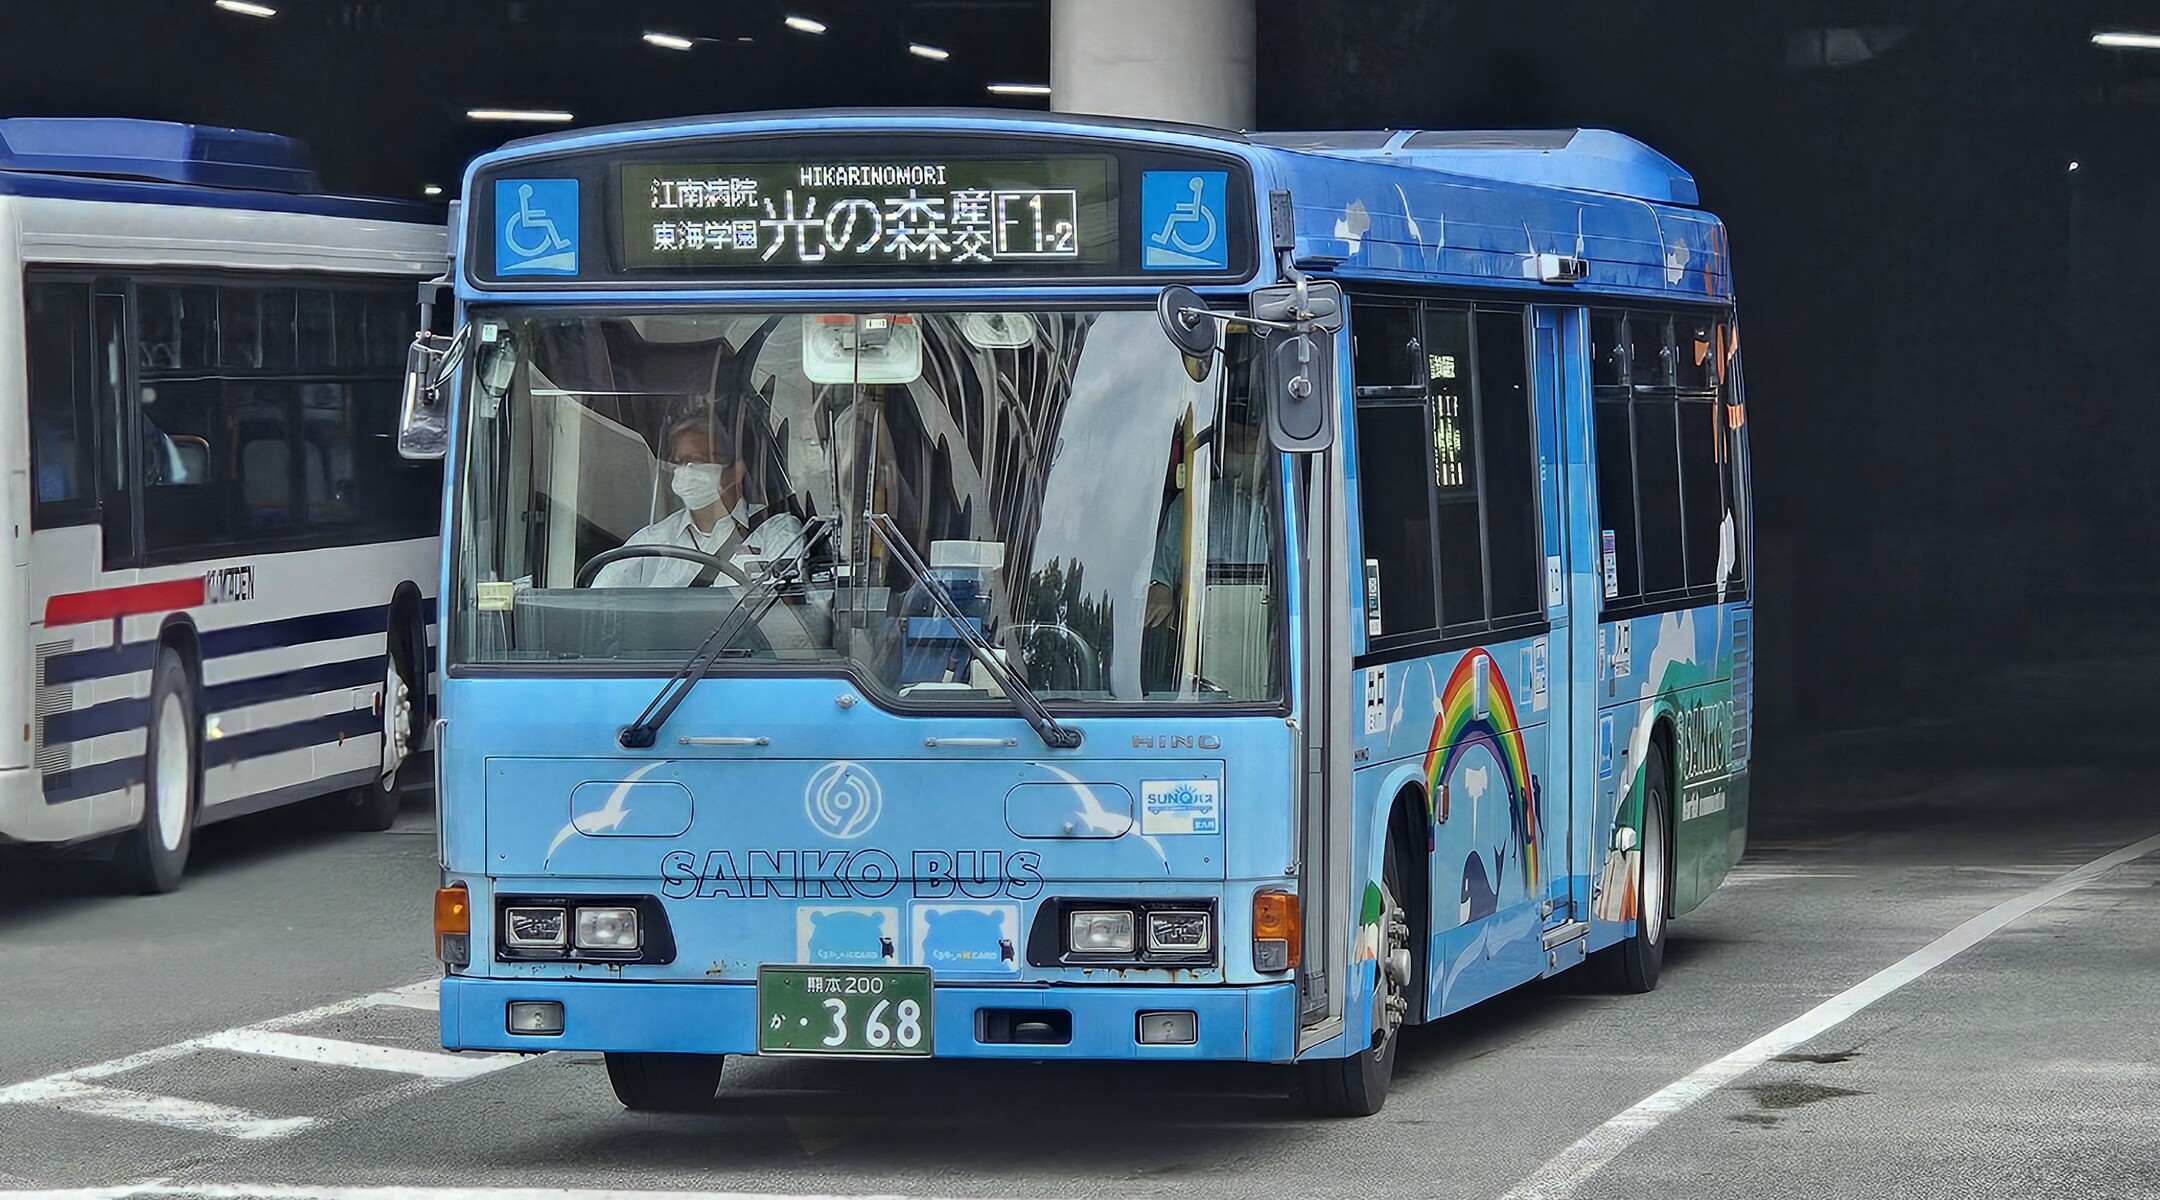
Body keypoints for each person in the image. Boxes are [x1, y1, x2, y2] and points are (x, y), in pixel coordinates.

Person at [593, 412, 804, 587]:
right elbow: (600, 604)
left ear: (735, 471)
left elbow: (781, 612)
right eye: (680, 462)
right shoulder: (652, 540)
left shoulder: (774, 530)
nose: (687, 471)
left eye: (698, 460)